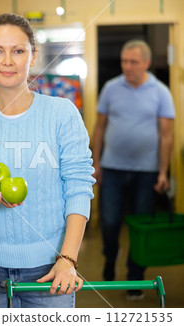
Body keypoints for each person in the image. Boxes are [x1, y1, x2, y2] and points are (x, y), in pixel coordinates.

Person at [0, 13, 95, 308]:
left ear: (33, 56)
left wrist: (67, 258)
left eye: (18, 51)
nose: (8, 61)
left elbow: (79, 187)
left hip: (50, 269)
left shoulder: (61, 114)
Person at [92, 39, 175, 301]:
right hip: (113, 168)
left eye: (133, 62)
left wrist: (163, 172)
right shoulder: (110, 88)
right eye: (124, 61)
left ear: (147, 63)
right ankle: (110, 255)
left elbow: (166, 136)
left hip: (146, 171)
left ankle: (135, 278)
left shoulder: (161, 92)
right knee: (110, 221)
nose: (127, 67)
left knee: (141, 226)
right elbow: (100, 128)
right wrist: (96, 163)